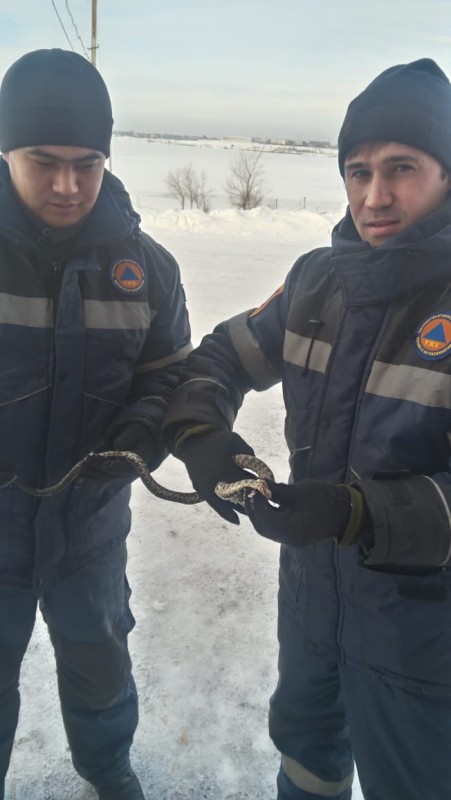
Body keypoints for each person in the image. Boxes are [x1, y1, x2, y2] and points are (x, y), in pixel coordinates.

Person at [163, 58, 451, 800]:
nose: (374, 196)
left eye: (401, 168)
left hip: (423, 637)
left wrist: (362, 514)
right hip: (311, 606)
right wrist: (201, 433)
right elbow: (222, 356)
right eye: (358, 171)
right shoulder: (317, 281)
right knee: (305, 759)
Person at [0, 50, 191, 800]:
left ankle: (107, 770)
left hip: (89, 526)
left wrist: (143, 431)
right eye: (43, 162)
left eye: (87, 164)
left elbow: (167, 373)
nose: (68, 185)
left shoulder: (148, 268)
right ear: (6, 151)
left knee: (99, 658)